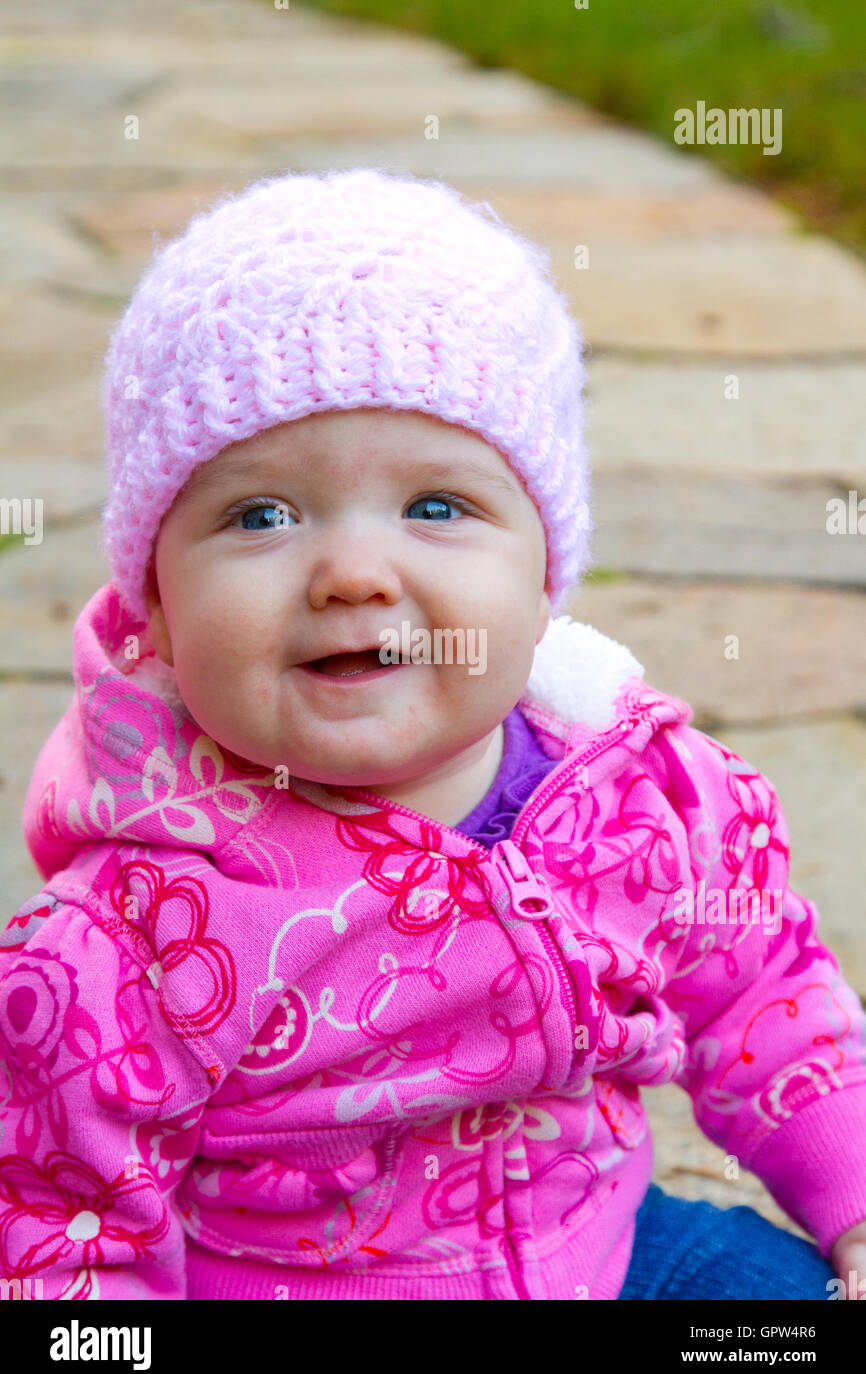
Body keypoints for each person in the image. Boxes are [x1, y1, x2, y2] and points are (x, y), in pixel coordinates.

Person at [1, 167, 864, 1302]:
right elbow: (63, 1237)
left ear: (544, 569)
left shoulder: (643, 794)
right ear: (157, 607)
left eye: (436, 507)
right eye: (260, 514)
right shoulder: (134, 937)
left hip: (608, 1252)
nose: (355, 572)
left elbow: (764, 999)